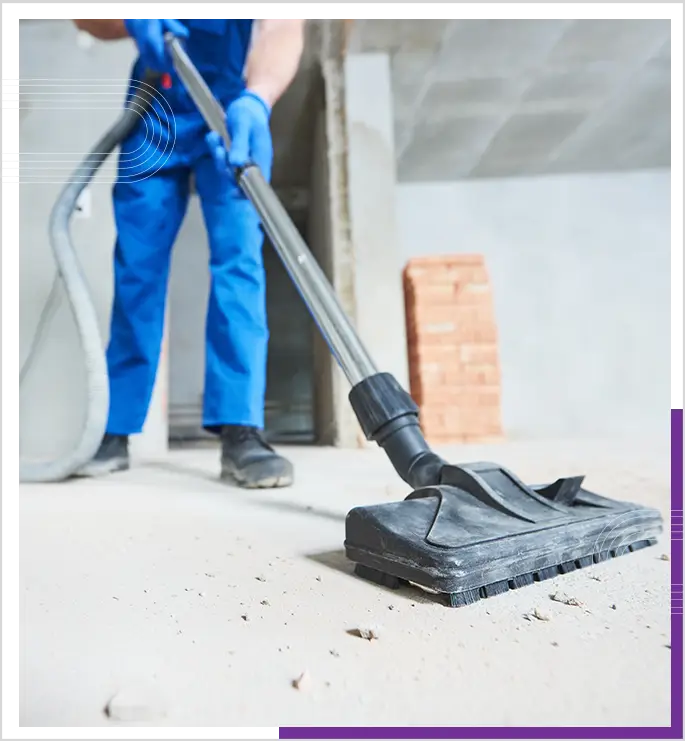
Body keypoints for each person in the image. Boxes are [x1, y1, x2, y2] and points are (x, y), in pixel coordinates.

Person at [71, 16, 306, 488]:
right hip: (156, 105)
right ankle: (114, 428)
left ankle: (242, 430)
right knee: (137, 266)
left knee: (239, 261)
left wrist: (258, 98)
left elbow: (281, 24)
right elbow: (86, 17)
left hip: (229, 103)